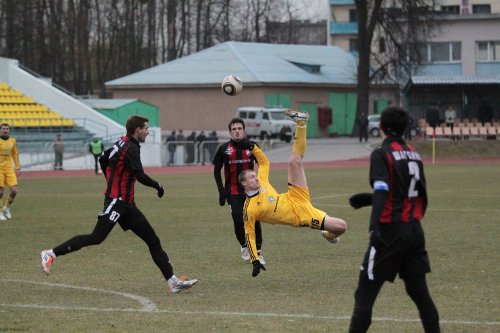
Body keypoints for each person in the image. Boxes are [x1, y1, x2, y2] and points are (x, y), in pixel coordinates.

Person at [40, 116, 197, 294]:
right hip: (117, 202)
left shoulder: (122, 142)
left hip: (127, 205)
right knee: (96, 237)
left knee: (153, 240)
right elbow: (140, 175)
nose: (148, 131)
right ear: (137, 130)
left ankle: (172, 282)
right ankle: (50, 253)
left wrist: (112, 182)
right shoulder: (131, 147)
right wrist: (158, 186)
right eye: (146, 128)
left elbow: (103, 159)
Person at [348, 106, 440, 332]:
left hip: (389, 232)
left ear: (381, 126)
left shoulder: (381, 153)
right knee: (420, 295)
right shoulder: (413, 153)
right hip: (414, 231)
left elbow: (382, 187)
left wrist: (373, 225)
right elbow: (416, 194)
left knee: (364, 295)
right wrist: (369, 200)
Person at [238, 109, 347, 277]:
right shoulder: (249, 208)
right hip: (301, 215)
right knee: (341, 226)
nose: (257, 178)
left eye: (255, 175)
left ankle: (301, 123)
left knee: (294, 162)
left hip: (294, 196)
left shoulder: (262, 181)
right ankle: (329, 235)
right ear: (244, 183)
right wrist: (255, 260)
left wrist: (253, 147)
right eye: (252, 177)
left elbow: (264, 163)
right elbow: (250, 235)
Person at [213, 118, 264, 262]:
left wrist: (261, 183)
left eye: (239, 128)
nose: (237, 131)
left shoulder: (252, 147)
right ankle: (244, 246)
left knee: (255, 219)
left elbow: (263, 164)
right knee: (237, 219)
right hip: (233, 191)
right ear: (230, 132)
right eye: (234, 129)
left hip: (251, 191)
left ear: (244, 130)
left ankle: (258, 251)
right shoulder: (224, 149)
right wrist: (221, 191)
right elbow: (216, 171)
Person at [0, 123, 21, 221]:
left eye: (7, 129)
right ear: (0, 130)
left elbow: (15, 154)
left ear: (9, 130)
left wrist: (17, 167)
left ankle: (6, 208)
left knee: (14, 190)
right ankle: (0, 213)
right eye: (3, 128)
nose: (5, 130)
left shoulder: (12, 141)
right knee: (0, 191)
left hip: (9, 169)